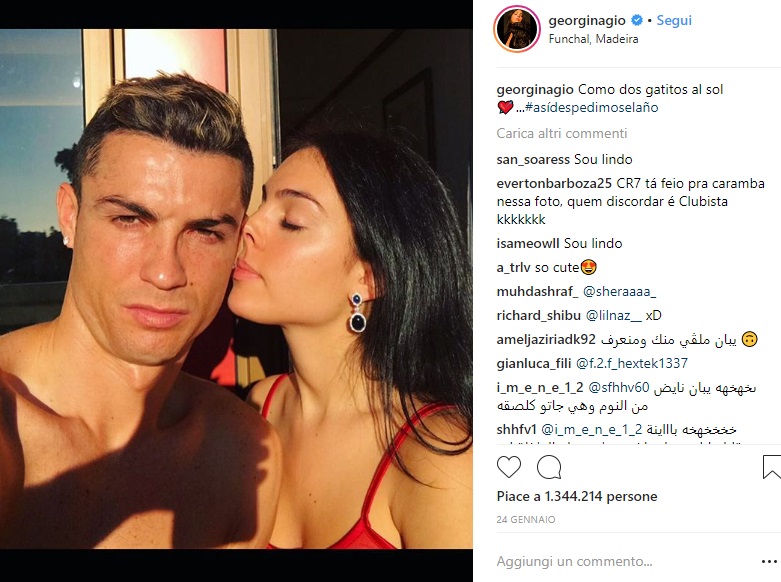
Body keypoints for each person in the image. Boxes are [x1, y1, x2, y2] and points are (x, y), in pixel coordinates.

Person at [0, 72, 281, 548]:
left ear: (238, 242)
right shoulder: (9, 418)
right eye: (129, 219)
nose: (166, 272)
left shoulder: (242, 451)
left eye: (205, 232)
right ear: (70, 216)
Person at [228, 123, 473, 549]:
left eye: (291, 221)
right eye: (261, 203)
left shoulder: (438, 457)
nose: (247, 225)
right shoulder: (258, 409)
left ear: (369, 279)